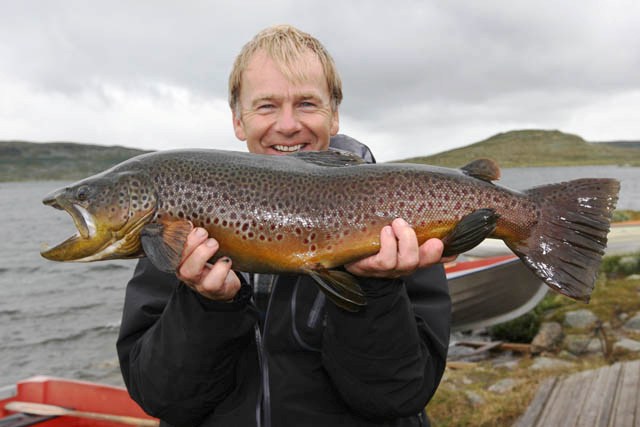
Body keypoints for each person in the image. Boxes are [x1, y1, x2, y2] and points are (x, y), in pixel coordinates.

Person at [117, 25, 452, 427]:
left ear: (334, 115)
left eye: (307, 103)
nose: (288, 124)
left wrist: (377, 289)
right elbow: (161, 397)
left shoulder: (395, 221)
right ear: (238, 120)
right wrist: (206, 305)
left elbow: (397, 397)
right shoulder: (180, 232)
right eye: (266, 106)